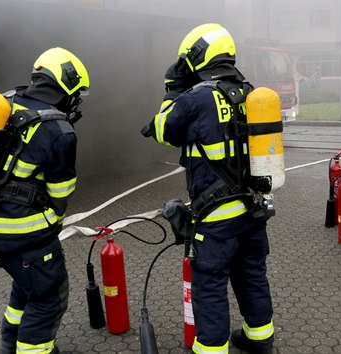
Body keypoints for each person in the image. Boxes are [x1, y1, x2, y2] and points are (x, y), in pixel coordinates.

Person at [142, 23, 275, 354]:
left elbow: (164, 131)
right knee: (251, 275)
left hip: (216, 218)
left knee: (210, 283)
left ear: (198, 57)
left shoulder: (197, 97)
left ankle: (212, 349)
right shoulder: (250, 91)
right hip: (254, 207)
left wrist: (172, 89)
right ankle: (260, 340)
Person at [0, 47, 89, 353]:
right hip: (21, 231)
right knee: (49, 297)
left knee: (27, 283)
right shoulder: (59, 130)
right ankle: (33, 349)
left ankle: (10, 344)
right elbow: (61, 191)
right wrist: (52, 222)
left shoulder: (6, 105)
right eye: (77, 94)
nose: (76, 102)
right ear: (66, 85)